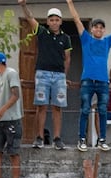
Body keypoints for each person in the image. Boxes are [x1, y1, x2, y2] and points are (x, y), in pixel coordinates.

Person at [67, 1, 111, 152]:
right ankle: (81, 139)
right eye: (96, 27)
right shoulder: (86, 39)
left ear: (103, 30)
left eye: (101, 27)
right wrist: (69, 3)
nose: (98, 29)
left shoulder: (107, 41)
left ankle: (102, 140)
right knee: (85, 109)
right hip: (87, 80)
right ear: (92, 29)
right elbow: (76, 19)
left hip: (102, 82)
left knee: (102, 110)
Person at [18, 2, 71, 150]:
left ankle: (57, 138)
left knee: (57, 107)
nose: (54, 22)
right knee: (41, 107)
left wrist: (64, 76)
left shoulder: (66, 38)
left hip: (59, 75)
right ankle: (39, 137)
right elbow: (29, 17)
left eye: (57, 19)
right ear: (47, 21)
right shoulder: (41, 32)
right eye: (51, 20)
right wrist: (23, 6)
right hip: (42, 74)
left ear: (60, 21)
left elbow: (67, 58)